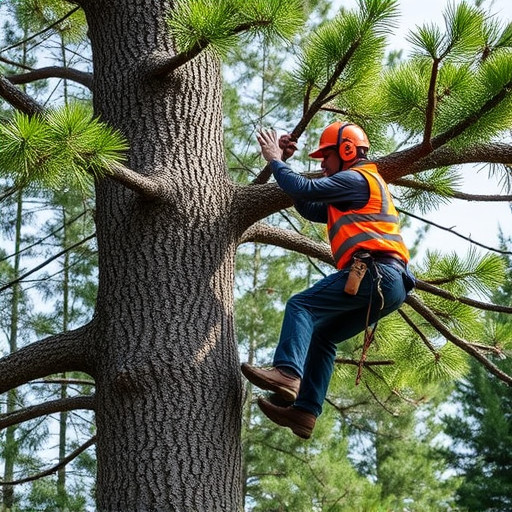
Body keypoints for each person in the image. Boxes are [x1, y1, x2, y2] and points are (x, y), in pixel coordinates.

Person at [241, 121, 415, 439]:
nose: (321, 164)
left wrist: (275, 160)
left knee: (301, 306)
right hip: (391, 285)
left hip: (376, 273)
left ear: (346, 151)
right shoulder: (352, 187)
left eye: (326, 156)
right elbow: (308, 205)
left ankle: (287, 374)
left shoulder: (356, 179)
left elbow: (304, 189)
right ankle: (305, 413)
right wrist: (286, 164)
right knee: (323, 336)